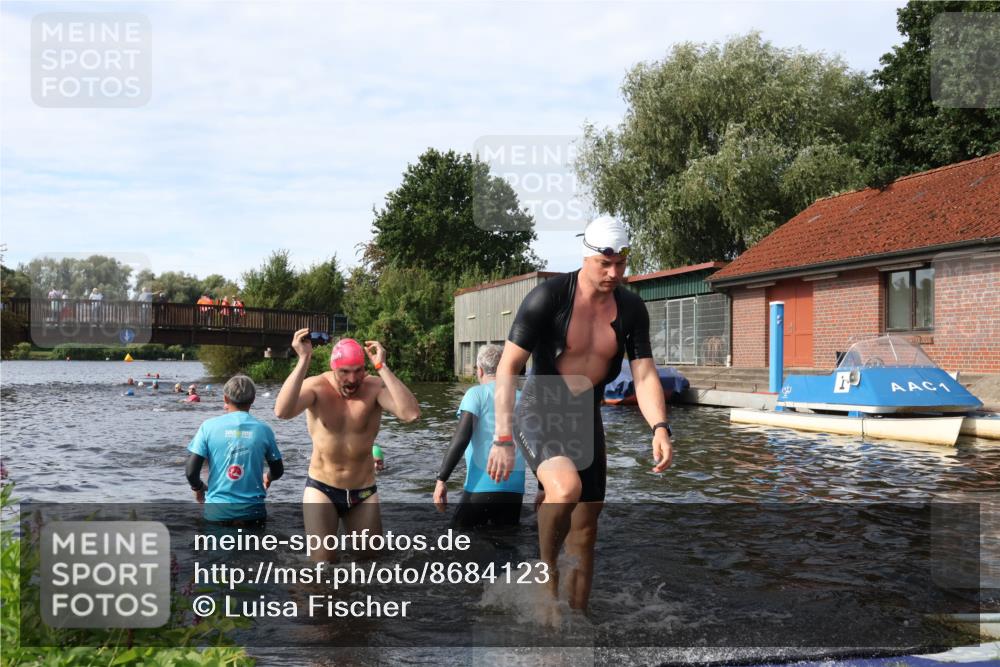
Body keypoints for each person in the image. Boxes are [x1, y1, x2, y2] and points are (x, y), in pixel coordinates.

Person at [489, 215, 674, 613]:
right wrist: (502, 437)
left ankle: (578, 621)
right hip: (541, 407)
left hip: (585, 416)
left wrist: (659, 427)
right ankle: (546, 580)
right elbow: (507, 367)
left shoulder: (631, 309)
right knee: (564, 489)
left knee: (586, 530)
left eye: (620, 265)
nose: (613, 273)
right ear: (586, 256)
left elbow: (643, 374)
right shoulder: (549, 298)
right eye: (604, 264)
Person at [274, 334, 420, 561]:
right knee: (322, 564)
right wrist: (303, 359)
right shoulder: (317, 387)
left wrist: (381, 366)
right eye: (345, 372)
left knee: (370, 563)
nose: (353, 379)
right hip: (322, 488)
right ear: (333, 368)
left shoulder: (374, 388)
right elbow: (282, 411)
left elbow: (410, 413)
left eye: (358, 370)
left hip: (363, 491)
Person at [434, 344, 525, 529]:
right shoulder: (522, 397)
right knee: (507, 546)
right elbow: (535, 443)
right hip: (515, 491)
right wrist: (542, 487)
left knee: (456, 542)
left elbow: (461, 439)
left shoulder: (476, 394)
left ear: (480, 370)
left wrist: (441, 479)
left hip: (480, 488)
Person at [185, 375, 283, 523]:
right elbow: (278, 470)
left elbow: (191, 472)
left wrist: (198, 489)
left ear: (225, 398)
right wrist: (267, 478)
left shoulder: (208, 427)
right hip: (253, 513)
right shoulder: (264, 430)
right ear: (253, 399)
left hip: (217, 513)